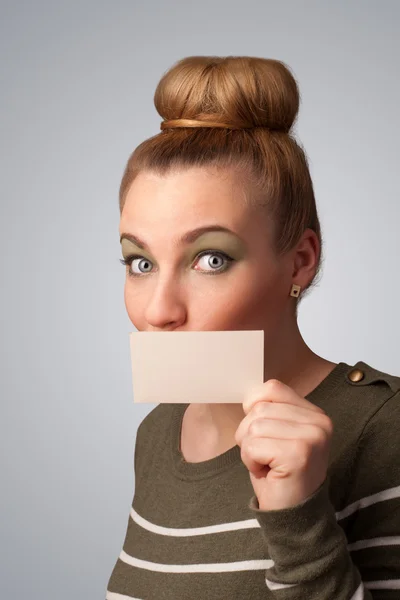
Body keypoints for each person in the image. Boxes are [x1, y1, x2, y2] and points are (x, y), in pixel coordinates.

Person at [105, 56, 400, 599]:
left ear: (300, 261)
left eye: (210, 259)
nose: (159, 310)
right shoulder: (155, 436)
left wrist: (298, 520)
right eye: (140, 263)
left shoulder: (385, 429)